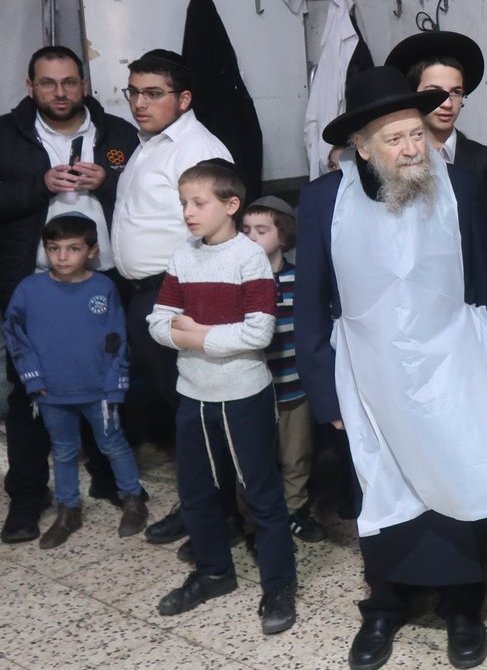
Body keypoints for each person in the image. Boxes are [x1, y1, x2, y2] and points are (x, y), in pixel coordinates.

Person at [296, 66, 487, 670]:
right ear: (361, 146)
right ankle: (385, 606)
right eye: (394, 138)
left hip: (450, 367)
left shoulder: (456, 186)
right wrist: (326, 398)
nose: (412, 148)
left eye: (416, 134)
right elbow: (310, 305)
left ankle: (463, 605)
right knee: (381, 488)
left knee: (456, 475)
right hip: (367, 374)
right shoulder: (322, 200)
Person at [147, 160, 296, 635]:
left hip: (242, 395)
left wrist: (195, 333)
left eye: (199, 203)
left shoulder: (249, 259)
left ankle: (278, 585)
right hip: (194, 392)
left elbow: (258, 332)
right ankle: (214, 573)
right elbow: (156, 322)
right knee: (195, 492)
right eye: (184, 203)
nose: (188, 212)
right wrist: (193, 336)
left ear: (231, 205)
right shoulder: (182, 256)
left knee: (260, 493)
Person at [0, 45, 139, 543]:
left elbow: (151, 197)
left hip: (104, 280)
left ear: (84, 84)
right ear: (30, 86)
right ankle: (27, 498)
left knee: (105, 379)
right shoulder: (8, 135)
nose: (59, 92)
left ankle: (111, 482)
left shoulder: (118, 134)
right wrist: (40, 186)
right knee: (29, 392)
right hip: (33, 284)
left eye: (68, 82)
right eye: (48, 83)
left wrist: (110, 182)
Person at [110, 48, 232, 546]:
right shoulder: (152, 142)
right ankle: (203, 504)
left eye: (153, 93)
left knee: (195, 409)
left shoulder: (197, 148)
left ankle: (213, 510)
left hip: (176, 293)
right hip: (147, 293)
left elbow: (218, 232)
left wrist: (187, 301)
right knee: (178, 405)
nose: (140, 103)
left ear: (183, 98)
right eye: (134, 92)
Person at [3, 214, 148, 549]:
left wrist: (116, 380)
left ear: (92, 251)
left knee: (113, 444)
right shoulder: (29, 289)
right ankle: (68, 509)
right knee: (64, 451)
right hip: (50, 392)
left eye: (72, 248)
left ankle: (132, 499)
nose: (62, 256)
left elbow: (117, 337)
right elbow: (15, 335)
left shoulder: (103, 287)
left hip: (98, 390)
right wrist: (32, 376)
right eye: (54, 248)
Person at [384, 31, 487, 304]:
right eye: (435, 93)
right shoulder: (390, 161)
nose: (447, 103)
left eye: (456, 93)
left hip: (471, 304)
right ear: (413, 96)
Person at [241, 195, 327, 543]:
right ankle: (253, 518)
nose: (251, 237)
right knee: (252, 459)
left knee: (297, 457)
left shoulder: (299, 281)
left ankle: (295, 510)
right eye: (245, 230)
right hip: (252, 391)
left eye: (261, 230)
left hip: (294, 388)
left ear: (285, 236)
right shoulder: (238, 284)